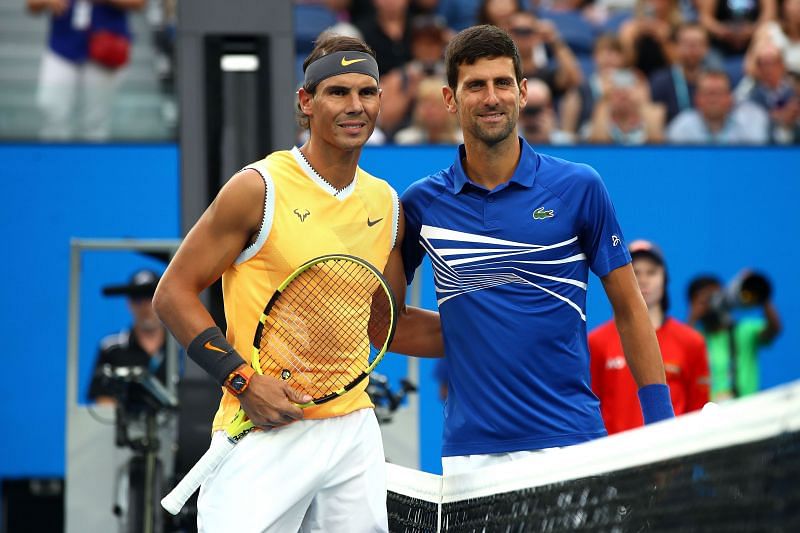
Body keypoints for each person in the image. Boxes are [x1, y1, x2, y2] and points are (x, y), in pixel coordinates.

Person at [153, 34, 442, 532]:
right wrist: (242, 381)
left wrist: (497, 333)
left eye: (367, 92)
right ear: (306, 102)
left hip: (352, 432)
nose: (355, 106)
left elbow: (383, 327)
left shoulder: (387, 204)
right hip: (264, 427)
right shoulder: (257, 189)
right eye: (338, 92)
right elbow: (172, 294)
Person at [400, 24, 674, 476]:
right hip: (470, 456)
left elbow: (629, 308)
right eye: (476, 86)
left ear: (523, 92)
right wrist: (474, 335)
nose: (492, 97)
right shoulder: (421, 204)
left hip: (570, 445)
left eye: (503, 83)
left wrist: (663, 427)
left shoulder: (579, 186)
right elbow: (386, 325)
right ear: (450, 99)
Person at [589, 240, 710, 435]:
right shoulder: (597, 342)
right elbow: (592, 410)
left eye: (652, 272)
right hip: (614, 457)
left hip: (670, 456)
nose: (643, 280)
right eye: (635, 273)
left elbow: (698, 410)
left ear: (665, 279)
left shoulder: (691, 341)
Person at [26, 0, 146, 140]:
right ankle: (56, 160)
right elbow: (31, 5)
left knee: (95, 125)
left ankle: (91, 161)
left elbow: (139, 3)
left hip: (104, 49)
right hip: (62, 45)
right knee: (52, 112)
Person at [687, 273, 781, 402]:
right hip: (708, 414)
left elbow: (774, 329)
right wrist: (693, 317)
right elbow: (682, 352)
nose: (713, 303)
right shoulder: (696, 338)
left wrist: (762, 296)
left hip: (747, 408)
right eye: (706, 300)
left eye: (716, 296)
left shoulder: (744, 331)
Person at [88, 269, 167, 404]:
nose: (145, 307)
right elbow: (102, 398)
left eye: (151, 298)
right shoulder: (111, 348)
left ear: (162, 301)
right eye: (138, 299)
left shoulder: (182, 348)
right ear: (129, 303)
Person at [667, 68, 769, 143]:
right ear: (697, 99)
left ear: (730, 98)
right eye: (708, 93)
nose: (713, 99)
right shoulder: (681, 127)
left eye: (719, 93)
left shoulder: (748, 124)